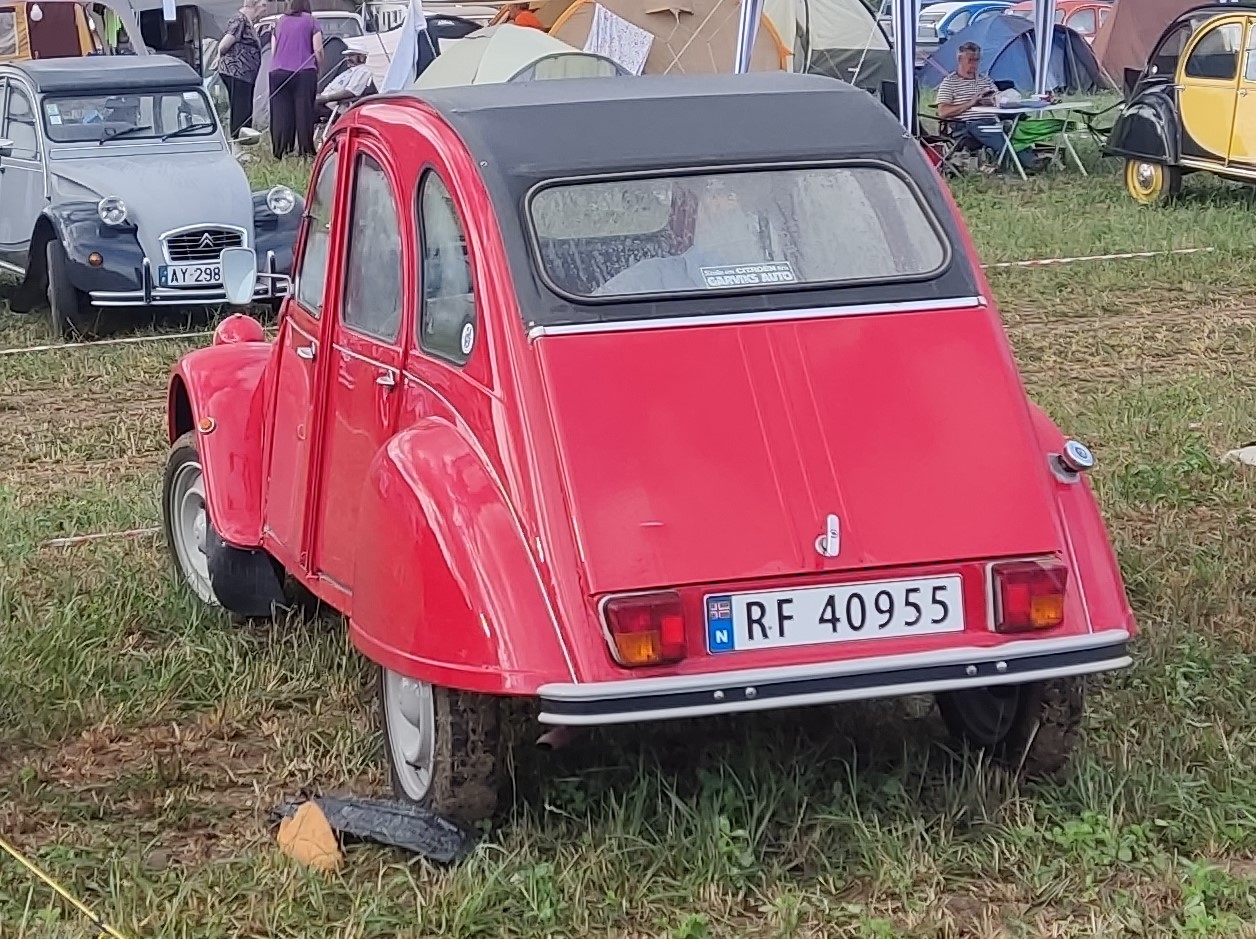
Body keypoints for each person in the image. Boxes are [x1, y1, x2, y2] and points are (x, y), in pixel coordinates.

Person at [935, 42, 1036, 171]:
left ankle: (1028, 159)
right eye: (970, 60)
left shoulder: (985, 80)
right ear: (960, 60)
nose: (974, 64)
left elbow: (999, 98)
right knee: (987, 129)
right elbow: (943, 111)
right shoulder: (949, 82)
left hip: (992, 119)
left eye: (976, 60)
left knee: (1013, 126)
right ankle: (1022, 163)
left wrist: (991, 99)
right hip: (966, 124)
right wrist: (971, 102)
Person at [268, 0, 323, 159]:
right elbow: (317, 50)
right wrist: (319, 68)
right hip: (304, 71)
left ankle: (281, 150)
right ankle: (305, 151)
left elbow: (273, 50)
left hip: (278, 71)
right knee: (303, 111)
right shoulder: (311, 21)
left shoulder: (279, 22)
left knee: (280, 113)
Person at [216, 0, 263, 139]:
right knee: (241, 109)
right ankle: (240, 141)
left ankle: (243, 140)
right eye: (263, 5)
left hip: (244, 74)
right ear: (254, 5)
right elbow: (224, 44)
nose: (265, 9)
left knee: (244, 107)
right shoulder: (240, 19)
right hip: (237, 72)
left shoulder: (247, 21)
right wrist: (219, 57)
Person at [316, 48, 375, 128]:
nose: (348, 58)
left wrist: (326, 98)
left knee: (304, 107)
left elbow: (351, 92)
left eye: (351, 56)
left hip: (335, 107)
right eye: (347, 56)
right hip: (325, 103)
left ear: (361, 57)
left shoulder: (363, 71)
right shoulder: (348, 71)